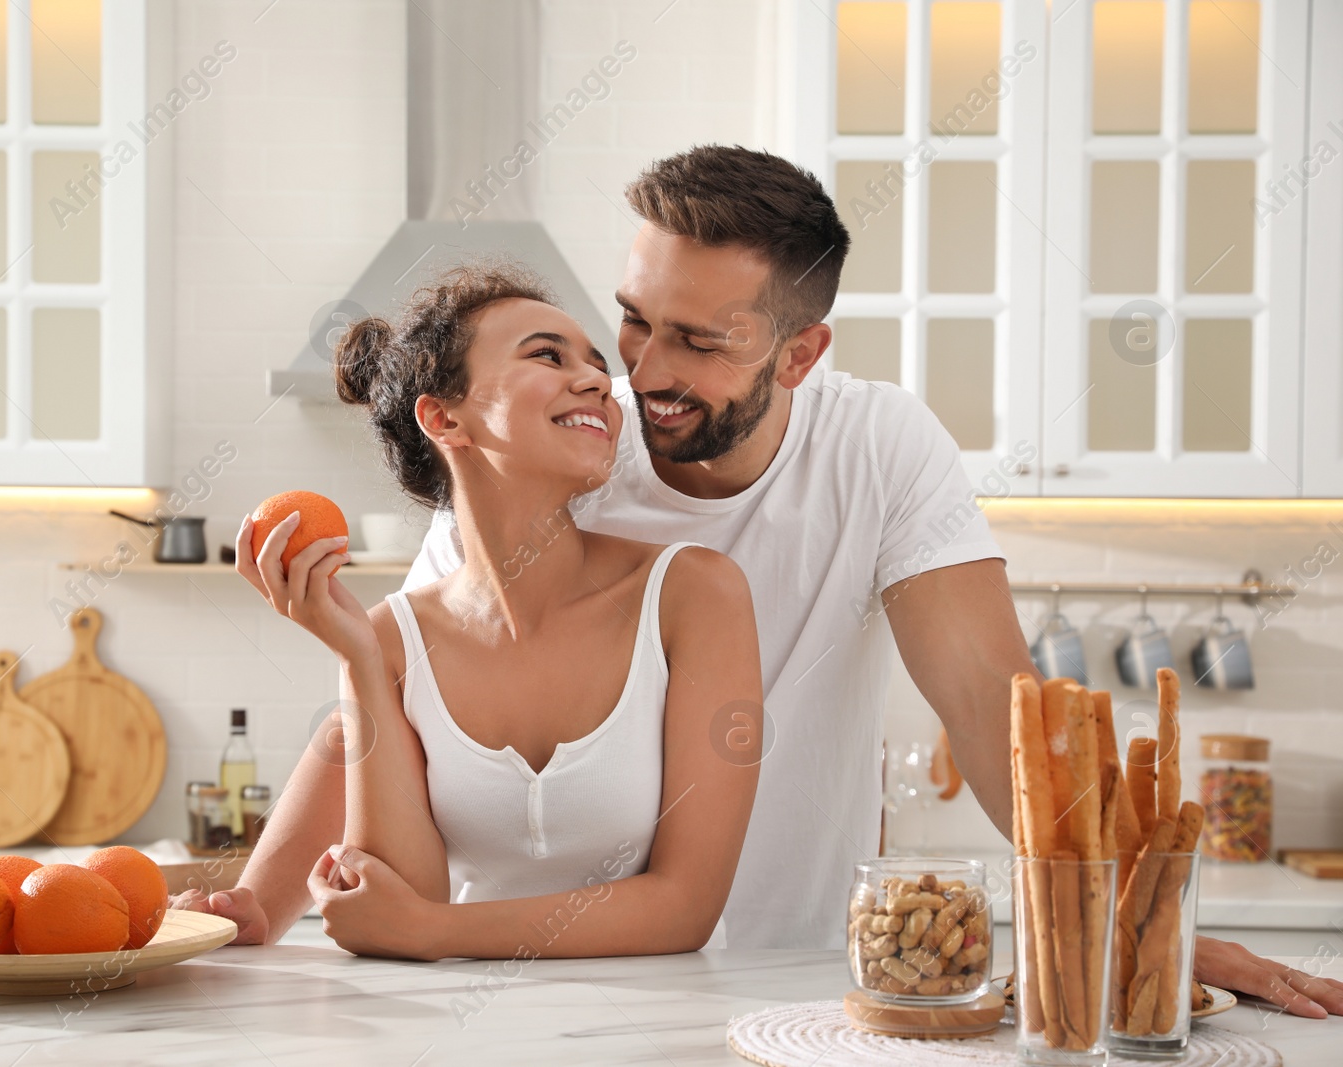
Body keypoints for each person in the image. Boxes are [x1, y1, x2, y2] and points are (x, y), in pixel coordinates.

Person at [177, 145, 1343, 1017]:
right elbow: (407, 675)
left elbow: (995, 714)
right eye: (631, 322)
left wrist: (1133, 913)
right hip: (517, 971)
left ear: (798, 353)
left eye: (698, 340)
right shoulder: (578, 438)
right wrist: (268, 897)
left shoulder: (878, 449)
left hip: (789, 961)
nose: (638, 372)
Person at [214, 263, 764, 959]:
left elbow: (684, 907)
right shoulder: (389, 638)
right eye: (546, 354)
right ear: (445, 417)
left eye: (596, 363)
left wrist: (433, 931)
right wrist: (357, 660)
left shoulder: (693, 595)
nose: (599, 379)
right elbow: (390, 901)